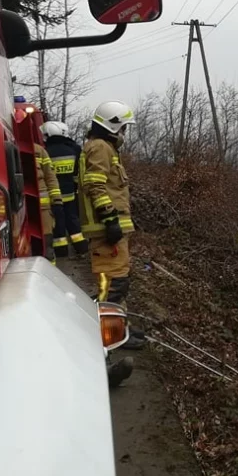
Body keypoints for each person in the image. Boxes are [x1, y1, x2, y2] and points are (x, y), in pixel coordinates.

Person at [77, 101, 145, 350]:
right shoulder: (100, 148)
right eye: (123, 127)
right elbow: (95, 185)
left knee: (119, 281)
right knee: (112, 286)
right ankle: (102, 336)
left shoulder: (106, 148)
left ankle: (119, 329)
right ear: (112, 125)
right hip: (107, 231)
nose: (124, 133)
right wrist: (109, 219)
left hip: (114, 231)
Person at [41, 121, 89, 259]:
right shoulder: (73, 150)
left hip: (54, 196)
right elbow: (77, 173)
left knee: (58, 225)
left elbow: (46, 175)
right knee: (73, 222)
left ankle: (61, 253)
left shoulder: (46, 152)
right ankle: (82, 249)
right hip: (70, 194)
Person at [34, 142, 63, 265]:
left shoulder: (39, 151)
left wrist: (57, 201)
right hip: (18, 210)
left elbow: (51, 178)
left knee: (47, 248)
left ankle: (51, 278)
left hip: (43, 210)